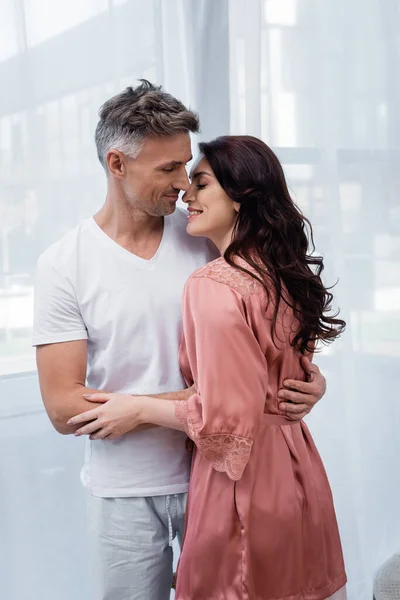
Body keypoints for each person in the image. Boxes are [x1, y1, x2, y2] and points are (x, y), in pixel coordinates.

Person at [34, 82, 328, 600]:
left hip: (219, 477)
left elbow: (265, 337)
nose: (181, 186)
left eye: (187, 166)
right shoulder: (64, 265)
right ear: (117, 163)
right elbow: (63, 408)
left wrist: (306, 378)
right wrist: (217, 398)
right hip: (123, 492)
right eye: (167, 169)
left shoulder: (203, 237)